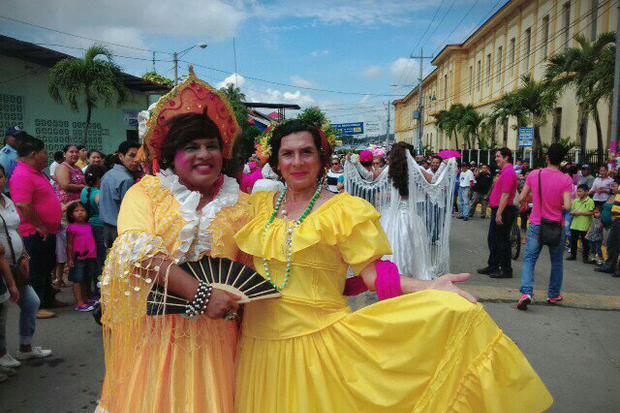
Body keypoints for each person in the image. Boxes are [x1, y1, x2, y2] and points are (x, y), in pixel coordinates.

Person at [233, 120, 552, 412]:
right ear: (275, 162)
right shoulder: (260, 207)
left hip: (315, 348)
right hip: (258, 347)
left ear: (322, 158)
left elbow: (373, 275)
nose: (298, 162)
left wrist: (429, 285)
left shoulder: (343, 210)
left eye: (307, 152)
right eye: (288, 154)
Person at [97, 70, 250, 412]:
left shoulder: (242, 204)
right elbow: (137, 252)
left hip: (221, 342)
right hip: (158, 341)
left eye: (212, 146)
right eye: (191, 147)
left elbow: (253, 271)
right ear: (170, 156)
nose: (204, 154)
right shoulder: (147, 194)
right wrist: (202, 294)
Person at [0, 165, 52, 367]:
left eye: (1, 176)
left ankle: (26, 347)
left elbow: (16, 228)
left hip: (14, 263)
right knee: (2, 311)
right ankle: (2, 354)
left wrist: (24, 254)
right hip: (1, 265)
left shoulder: (8, 201)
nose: (0, 180)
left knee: (31, 302)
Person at [9, 134, 62, 317]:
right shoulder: (22, 175)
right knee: (36, 269)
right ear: (33, 154)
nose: (47, 156)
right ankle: (36, 307)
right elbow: (24, 205)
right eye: (44, 152)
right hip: (34, 231)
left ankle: (48, 299)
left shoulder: (37, 173)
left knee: (47, 266)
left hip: (47, 230)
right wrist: (39, 226)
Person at [517, 143, 573, 310]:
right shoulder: (566, 179)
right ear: (561, 161)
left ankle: (526, 293)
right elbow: (568, 206)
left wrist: (535, 198)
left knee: (530, 260)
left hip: (536, 225)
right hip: (556, 226)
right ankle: (553, 294)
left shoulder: (535, 174)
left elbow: (521, 197)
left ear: (547, 158)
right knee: (556, 262)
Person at [478, 148, 519, 279]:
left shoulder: (508, 173)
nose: (496, 159)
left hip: (505, 210)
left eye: (498, 156)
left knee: (502, 241)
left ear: (506, 157)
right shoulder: (504, 172)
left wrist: (499, 213)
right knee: (493, 239)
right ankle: (493, 265)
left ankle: (506, 269)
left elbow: (506, 195)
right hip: (499, 209)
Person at [54, 144, 86, 287]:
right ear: (65, 154)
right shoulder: (62, 167)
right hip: (65, 209)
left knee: (74, 243)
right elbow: (65, 185)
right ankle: (58, 278)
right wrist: (84, 187)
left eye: (76, 152)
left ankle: (72, 275)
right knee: (64, 244)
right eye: (71, 152)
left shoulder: (78, 168)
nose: (74, 154)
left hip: (77, 208)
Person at [99, 141, 140, 248]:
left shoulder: (107, 174)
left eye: (138, 156)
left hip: (106, 226)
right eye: (132, 155)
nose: (136, 160)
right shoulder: (127, 180)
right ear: (121, 156)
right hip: (119, 229)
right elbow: (129, 210)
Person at [66, 202, 97, 312]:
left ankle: (85, 299)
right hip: (78, 257)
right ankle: (79, 302)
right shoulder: (71, 228)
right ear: (71, 214)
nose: (80, 213)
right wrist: (69, 258)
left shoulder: (89, 226)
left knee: (85, 278)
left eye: (82, 210)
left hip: (90, 256)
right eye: (76, 211)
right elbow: (69, 244)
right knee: (77, 279)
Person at [81, 165, 107, 292]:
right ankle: (99, 289)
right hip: (100, 228)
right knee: (101, 259)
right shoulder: (99, 194)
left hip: (88, 226)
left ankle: (89, 289)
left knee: (92, 259)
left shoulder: (84, 191)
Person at [567, 184, 594, 262]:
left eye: (580, 191)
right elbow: (571, 210)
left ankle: (585, 258)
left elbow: (591, 213)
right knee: (573, 241)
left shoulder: (590, 201)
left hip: (584, 225)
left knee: (585, 242)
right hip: (575, 224)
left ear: (586, 192)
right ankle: (573, 255)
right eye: (578, 191)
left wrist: (580, 213)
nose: (578, 193)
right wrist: (572, 212)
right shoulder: (576, 200)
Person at [0, 127, 24, 194]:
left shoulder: (17, 151)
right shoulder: (5, 155)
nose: (20, 139)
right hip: (10, 193)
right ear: (7, 138)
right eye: (16, 136)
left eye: (21, 137)